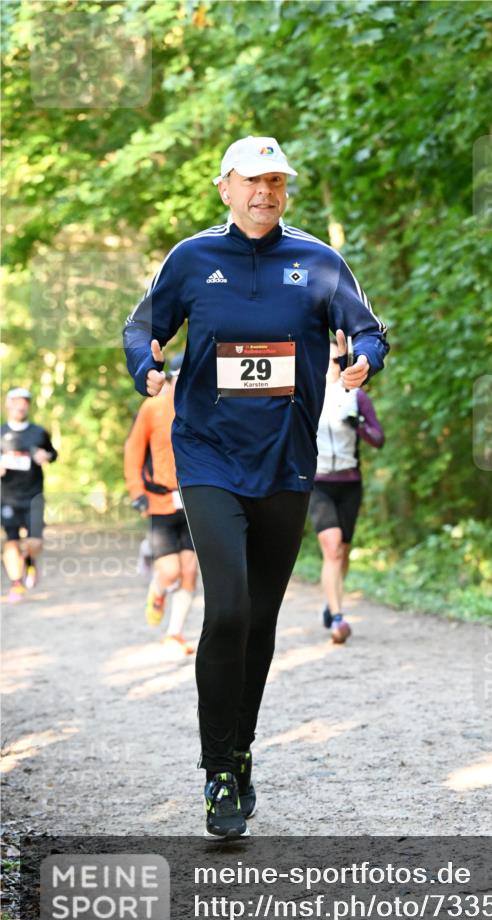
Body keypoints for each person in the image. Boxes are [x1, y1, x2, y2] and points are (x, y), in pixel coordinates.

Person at [123, 135, 389, 839]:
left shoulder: (318, 262)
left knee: (263, 623)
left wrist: (362, 359)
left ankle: (239, 755)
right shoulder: (190, 259)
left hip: (285, 461)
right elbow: (141, 328)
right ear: (225, 187)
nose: (264, 192)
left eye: (275, 181)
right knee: (230, 608)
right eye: (252, 180)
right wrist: (143, 367)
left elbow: (368, 332)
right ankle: (216, 771)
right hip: (208, 457)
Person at [310, 340, 385, 643]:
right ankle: (338, 618)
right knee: (331, 546)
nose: (334, 364)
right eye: (329, 359)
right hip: (317, 483)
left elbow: (379, 439)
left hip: (350, 483)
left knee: (343, 553)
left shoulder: (357, 398)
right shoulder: (309, 395)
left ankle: (332, 602)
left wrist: (360, 426)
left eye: (340, 359)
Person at [124, 353, 198, 656]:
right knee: (169, 572)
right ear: (170, 378)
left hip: (195, 501)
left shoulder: (203, 409)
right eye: (180, 378)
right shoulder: (153, 408)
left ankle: (175, 633)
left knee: (190, 571)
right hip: (160, 500)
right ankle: (157, 589)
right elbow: (133, 450)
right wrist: (135, 490)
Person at [1, 387, 58, 603]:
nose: (21, 404)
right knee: (12, 541)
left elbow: (53, 453)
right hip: (7, 497)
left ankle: (30, 563)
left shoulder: (38, 432)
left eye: (25, 401)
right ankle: (16, 585)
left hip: (34, 495)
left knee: (35, 544)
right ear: (8, 404)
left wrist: (47, 455)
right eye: (16, 400)